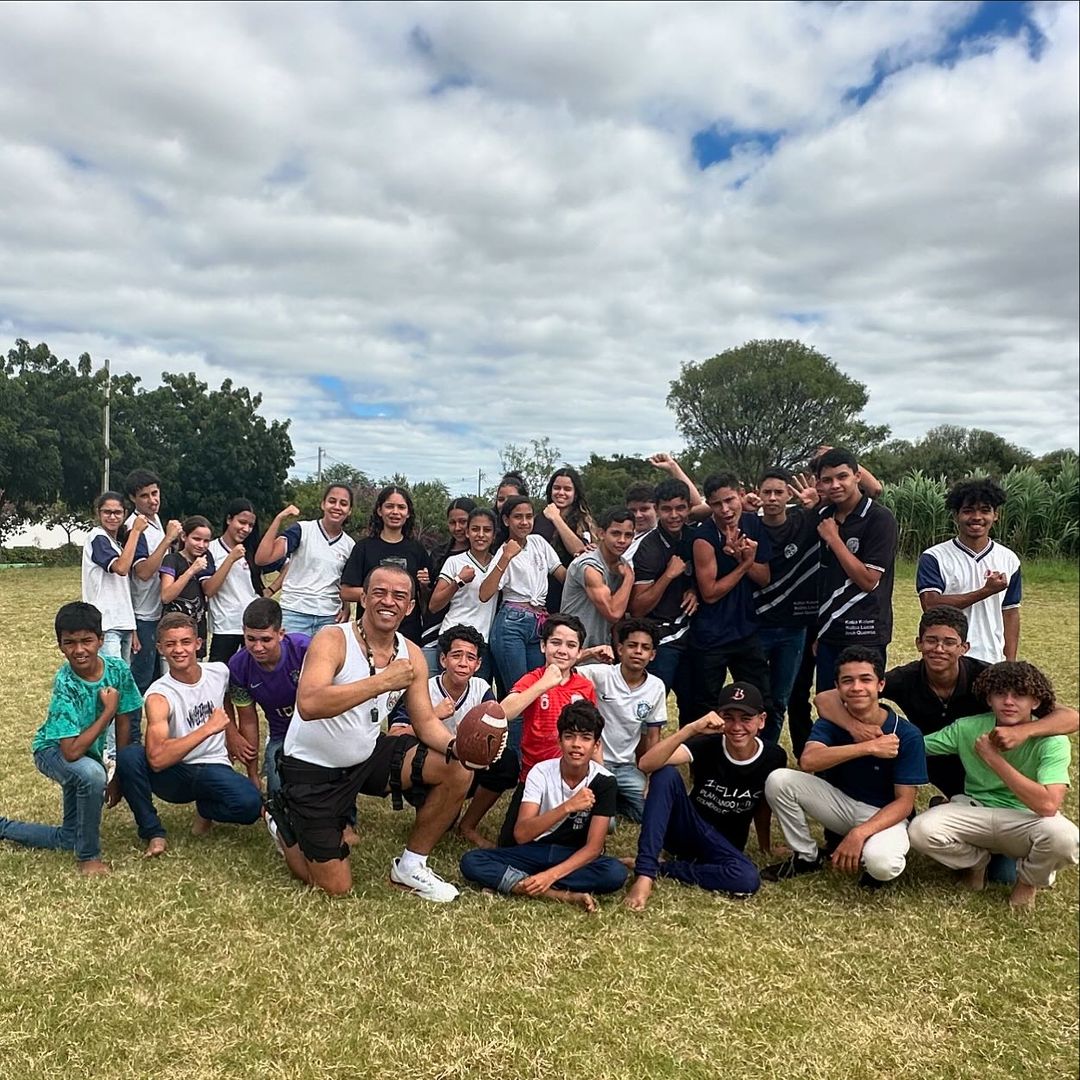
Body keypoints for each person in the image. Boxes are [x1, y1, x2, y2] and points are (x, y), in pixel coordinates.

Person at [815, 605, 1078, 885]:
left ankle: (968, 824)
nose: (939, 648)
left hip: (983, 767)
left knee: (1003, 876)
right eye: (931, 640)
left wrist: (1024, 731)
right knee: (925, 827)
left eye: (949, 642)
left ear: (964, 647)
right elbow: (825, 699)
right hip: (934, 754)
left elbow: (1070, 716)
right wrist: (859, 732)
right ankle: (952, 816)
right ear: (919, 643)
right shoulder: (906, 678)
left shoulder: (990, 679)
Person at [266, 565, 474, 900]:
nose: (387, 601)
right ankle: (282, 821)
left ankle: (411, 867)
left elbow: (424, 722)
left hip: (364, 756)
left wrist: (456, 747)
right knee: (334, 888)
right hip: (312, 769)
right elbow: (310, 702)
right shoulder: (333, 639)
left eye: (399, 596)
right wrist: (383, 681)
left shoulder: (412, 655)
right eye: (379, 592)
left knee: (457, 768)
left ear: (409, 607)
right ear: (363, 597)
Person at [909, 662, 1078, 910]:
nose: (1008, 701)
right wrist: (873, 738)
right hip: (975, 809)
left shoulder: (1052, 740)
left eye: (1019, 695)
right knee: (920, 831)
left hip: (1024, 817)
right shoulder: (968, 727)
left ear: (1036, 702)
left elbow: (1048, 805)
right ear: (989, 699)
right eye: (1000, 693)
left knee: (1065, 837)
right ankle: (976, 862)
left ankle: (1027, 883)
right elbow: (918, 746)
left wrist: (993, 758)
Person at [763, 646, 927, 887]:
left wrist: (859, 833)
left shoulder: (906, 734)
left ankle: (870, 854)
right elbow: (808, 761)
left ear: (880, 685)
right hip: (840, 803)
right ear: (838, 688)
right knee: (779, 780)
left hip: (884, 814)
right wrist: (868, 747)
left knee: (882, 865)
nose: (857, 687)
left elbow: (904, 803)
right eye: (847, 681)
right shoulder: (832, 722)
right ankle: (807, 857)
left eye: (865, 679)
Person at [0, 602, 142, 876]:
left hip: (85, 751)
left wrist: (119, 777)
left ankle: (3, 828)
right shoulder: (65, 683)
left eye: (87, 640)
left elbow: (126, 722)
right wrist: (107, 711)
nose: (79, 650)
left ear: (101, 640)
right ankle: (88, 857)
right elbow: (71, 752)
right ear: (60, 645)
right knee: (91, 775)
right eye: (70, 643)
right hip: (53, 751)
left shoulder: (118, 670)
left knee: (67, 835)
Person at [624, 682, 787, 910]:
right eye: (728, 717)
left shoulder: (773, 756)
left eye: (746, 718)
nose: (737, 726)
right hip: (689, 829)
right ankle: (645, 873)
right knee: (664, 774)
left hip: (723, 846)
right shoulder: (708, 744)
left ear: (762, 720)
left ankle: (664, 868)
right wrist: (691, 729)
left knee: (747, 878)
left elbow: (762, 804)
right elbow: (646, 763)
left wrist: (765, 847)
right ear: (719, 718)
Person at [116, 613, 262, 857]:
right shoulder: (159, 695)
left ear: (198, 643)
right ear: (160, 648)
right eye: (170, 644)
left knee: (251, 805)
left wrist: (232, 733)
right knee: (130, 756)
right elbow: (157, 759)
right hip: (176, 774)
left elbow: (225, 702)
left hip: (215, 765)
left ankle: (207, 808)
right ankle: (153, 832)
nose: (179, 650)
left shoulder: (219, 672)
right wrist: (207, 729)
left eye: (185, 642)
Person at [459, 701, 628, 912]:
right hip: (534, 851)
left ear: (596, 746)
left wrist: (550, 875)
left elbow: (593, 848)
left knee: (614, 873)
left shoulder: (605, 781)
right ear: (559, 741)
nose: (576, 744)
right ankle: (557, 893)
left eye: (585, 738)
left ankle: (521, 882)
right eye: (569, 736)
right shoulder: (540, 772)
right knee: (472, 861)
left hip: (571, 854)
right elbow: (521, 834)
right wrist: (567, 807)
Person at [388, 623, 519, 848]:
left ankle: (467, 826)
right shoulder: (424, 688)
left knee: (506, 763)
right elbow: (394, 734)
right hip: (428, 765)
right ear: (443, 660)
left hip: (465, 765)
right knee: (438, 825)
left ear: (478, 664)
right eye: (456, 655)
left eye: (470, 658)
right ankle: (436, 813)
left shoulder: (480, 689)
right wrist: (432, 716)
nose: (463, 663)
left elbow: (495, 731)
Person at [496, 614, 600, 844]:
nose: (563, 650)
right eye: (555, 642)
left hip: (573, 777)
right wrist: (545, 683)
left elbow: (593, 734)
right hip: (534, 776)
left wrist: (601, 777)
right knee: (509, 846)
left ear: (580, 652)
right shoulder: (532, 679)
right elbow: (503, 712)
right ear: (543, 646)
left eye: (571, 645)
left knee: (578, 840)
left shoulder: (585, 687)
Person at [686, 472, 773, 725]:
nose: (725, 509)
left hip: (745, 631)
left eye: (730, 500)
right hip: (710, 635)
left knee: (760, 700)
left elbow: (765, 577)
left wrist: (741, 560)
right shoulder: (704, 538)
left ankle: (758, 759)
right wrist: (744, 564)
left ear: (741, 495)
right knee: (705, 706)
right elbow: (710, 593)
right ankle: (702, 761)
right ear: (709, 505)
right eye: (716, 504)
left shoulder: (753, 525)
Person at [813, 448, 898, 692]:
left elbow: (869, 581)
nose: (835, 485)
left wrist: (834, 540)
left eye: (842, 477)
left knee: (861, 703)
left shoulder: (879, 518)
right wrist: (822, 631)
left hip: (866, 631)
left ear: (857, 476)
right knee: (829, 703)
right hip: (830, 631)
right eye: (827, 480)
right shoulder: (823, 515)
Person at [917, 477, 1021, 664]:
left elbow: (1010, 612)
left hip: (991, 658)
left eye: (985, 510)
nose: (977, 517)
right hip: (948, 658)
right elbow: (931, 605)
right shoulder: (934, 557)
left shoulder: (1009, 559)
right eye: (968, 511)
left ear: (996, 515)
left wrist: (1010, 661)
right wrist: (985, 591)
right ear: (956, 515)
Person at [753, 469, 820, 745]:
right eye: (766, 492)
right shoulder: (748, 526)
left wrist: (816, 504)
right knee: (755, 698)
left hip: (795, 628)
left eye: (778, 492)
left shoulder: (806, 520)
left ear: (788, 495)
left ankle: (767, 752)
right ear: (758, 495)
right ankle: (749, 753)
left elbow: (869, 495)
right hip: (756, 626)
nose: (772, 498)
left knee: (781, 698)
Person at [577, 617, 668, 822]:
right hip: (596, 762)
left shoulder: (656, 687)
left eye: (645, 648)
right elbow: (561, 668)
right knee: (604, 824)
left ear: (652, 655)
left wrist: (651, 779)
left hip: (627, 766)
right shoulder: (601, 675)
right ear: (620, 649)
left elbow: (654, 737)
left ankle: (616, 798)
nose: (637, 651)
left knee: (650, 813)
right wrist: (590, 652)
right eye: (632, 645)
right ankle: (609, 798)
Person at [480, 495, 565, 699]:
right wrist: (506, 557)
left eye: (529, 516)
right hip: (512, 622)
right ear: (507, 520)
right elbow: (485, 593)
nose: (525, 522)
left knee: (538, 690)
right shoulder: (503, 550)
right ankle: (512, 732)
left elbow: (562, 574)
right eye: (518, 517)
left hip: (539, 622)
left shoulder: (538, 543)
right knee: (518, 694)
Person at [630, 477, 699, 719]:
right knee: (651, 709)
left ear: (689, 509)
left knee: (694, 705)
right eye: (667, 509)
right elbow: (638, 608)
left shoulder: (694, 536)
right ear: (658, 510)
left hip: (693, 634)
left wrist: (695, 589)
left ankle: (690, 754)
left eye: (680, 508)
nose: (674, 515)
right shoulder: (648, 547)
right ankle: (649, 757)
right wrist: (668, 576)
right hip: (662, 637)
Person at [227, 598, 311, 795]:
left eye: (265, 639)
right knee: (277, 794)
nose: (257, 647)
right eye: (251, 639)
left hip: (319, 730)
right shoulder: (238, 667)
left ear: (281, 633)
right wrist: (253, 775)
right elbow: (248, 720)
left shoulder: (305, 650)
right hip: (282, 735)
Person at [256, 484, 355, 636]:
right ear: (323, 504)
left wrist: (346, 607)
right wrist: (279, 518)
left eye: (343, 504)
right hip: (294, 612)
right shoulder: (302, 530)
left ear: (349, 510)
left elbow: (343, 581)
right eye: (332, 501)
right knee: (290, 659)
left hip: (328, 617)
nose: (337, 507)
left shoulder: (349, 545)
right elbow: (263, 558)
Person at [340, 484, 432, 646]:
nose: (395, 512)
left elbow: (425, 600)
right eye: (389, 506)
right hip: (369, 635)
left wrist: (424, 586)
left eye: (401, 507)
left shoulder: (417, 550)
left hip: (408, 635)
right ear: (379, 511)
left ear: (408, 513)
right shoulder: (364, 548)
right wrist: (383, 594)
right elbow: (346, 592)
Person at [123, 469, 182, 696]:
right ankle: (133, 733)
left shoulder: (156, 521)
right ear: (132, 499)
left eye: (155, 493)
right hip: (142, 614)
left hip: (159, 612)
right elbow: (143, 572)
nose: (152, 500)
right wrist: (168, 539)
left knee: (162, 681)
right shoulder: (134, 527)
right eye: (144, 496)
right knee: (140, 684)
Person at [425, 507, 499, 681]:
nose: (481, 535)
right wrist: (458, 581)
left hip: (483, 642)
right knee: (448, 696)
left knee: (477, 698)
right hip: (452, 636)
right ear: (467, 533)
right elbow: (434, 604)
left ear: (494, 535)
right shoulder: (455, 561)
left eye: (487, 530)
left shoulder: (500, 563)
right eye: (475, 529)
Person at [82, 491, 149, 666]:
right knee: (112, 679)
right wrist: (135, 531)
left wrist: (132, 626)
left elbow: (122, 590)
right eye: (107, 512)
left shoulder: (116, 544)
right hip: (106, 622)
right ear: (98, 513)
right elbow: (121, 568)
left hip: (123, 622)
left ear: (124, 514)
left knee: (123, 679)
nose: (112, 517)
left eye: (117, 512)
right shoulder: (97, 537)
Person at [207, 499, 273, 664]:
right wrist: (231, 558)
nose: (246, 529)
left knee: (252, 676)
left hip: (252, 627)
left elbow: (286, 563)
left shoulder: (253, 550)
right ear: (229, 519)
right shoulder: (211, 549)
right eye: (242, 522)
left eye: (250, 525)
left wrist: (269, 591)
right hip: (225, 626)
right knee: (220, 676)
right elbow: (209, 590)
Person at [560, 507, 636, 648]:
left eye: (628, 535)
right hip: (572, 649)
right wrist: (629, 579)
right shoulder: (589, 566)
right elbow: (613, 613)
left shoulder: (622, 566)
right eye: (616, 533)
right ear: (601, 533)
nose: (622, 540)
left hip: (601, 649)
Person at [420, 497, 478, 664]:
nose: (458, 527)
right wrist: (423, 585)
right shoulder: (439, 554)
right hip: (437, 628)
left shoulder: (485, 556)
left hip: (472, 630)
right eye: (452, 522)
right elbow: (430, 601)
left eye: (463, 522)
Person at [531, 466, 594, 612]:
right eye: (557, 488)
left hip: (568, 595)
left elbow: (579, 551)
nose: (561, 493)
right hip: (539, 596)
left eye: (567, 489)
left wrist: (556, 518)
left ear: (575, 493)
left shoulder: (583, 521)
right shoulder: (538, 520)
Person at [159, 515, 217, 655]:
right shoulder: (172, 560)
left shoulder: (206, 559)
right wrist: (191, 571)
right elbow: (166, 596)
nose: (201, 545)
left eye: (206, 541)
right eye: (196, 539)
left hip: (197, 630)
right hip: (173, 631)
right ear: (184, 537)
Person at [623, 482, 657, 562]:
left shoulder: (661, 535)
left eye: (644, 509)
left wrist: (674, 469)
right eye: (633, 510)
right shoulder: (622, 535)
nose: (638, 515)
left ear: (656, 509)